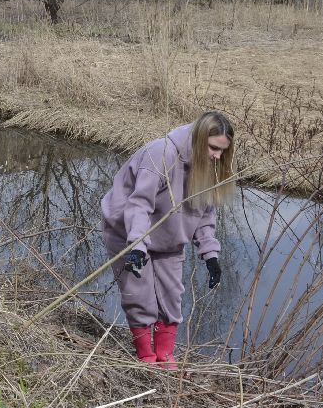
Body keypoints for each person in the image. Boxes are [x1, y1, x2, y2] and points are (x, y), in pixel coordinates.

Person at [101, 111, 236, 367]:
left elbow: (204, 215)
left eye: (222, 151)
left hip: (170, 239)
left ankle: (165, 355)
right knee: (139, 295)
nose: (217, 156)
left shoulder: (209, 167)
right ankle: (146, 356)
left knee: (172, 296)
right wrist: (137, 246)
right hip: (128, 233)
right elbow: (139, 205)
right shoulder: (161, 154)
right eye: (213, 148)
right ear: (199, 139)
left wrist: (211, 255)